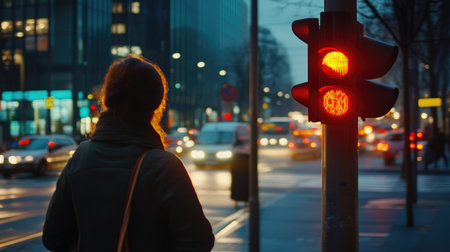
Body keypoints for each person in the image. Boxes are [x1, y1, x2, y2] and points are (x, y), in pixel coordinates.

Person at [43, 55, 215, 251]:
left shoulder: (81, 157)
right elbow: (199, 242)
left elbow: (53, 237)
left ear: (107, 97)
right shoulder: (164, 167)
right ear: (157, 102)